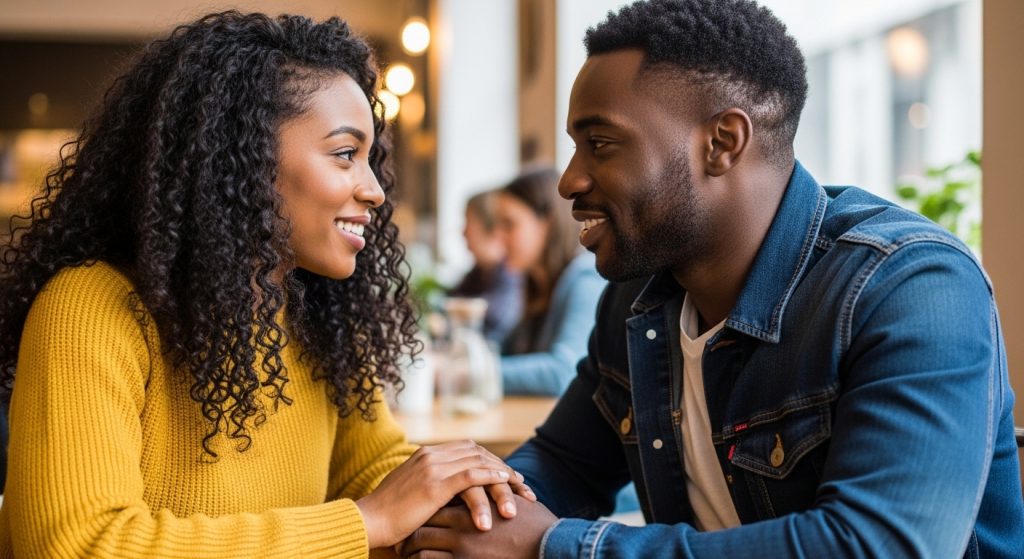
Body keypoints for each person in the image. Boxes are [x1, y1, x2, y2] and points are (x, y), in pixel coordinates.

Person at [398, 0, 1024, 557]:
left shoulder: (912, 287)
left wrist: (557, 546)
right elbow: (568, 462)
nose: (569, 180)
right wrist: (477, 513)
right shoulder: (637, 299)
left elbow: (879, 544)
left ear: (722, 141)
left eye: (602, 145)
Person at [0, 12, 535, 558]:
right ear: (244, 156)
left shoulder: (315, 317)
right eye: (346, 154)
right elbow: (80, 544)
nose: (374, 190)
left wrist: (460, 491)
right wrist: (368, 523)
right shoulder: (88, 309)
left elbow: (371, 465)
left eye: (371, 160)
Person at [494, 169, 605, 397]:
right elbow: (502, 350)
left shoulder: (584, 278)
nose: (499, 237)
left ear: (547, 222)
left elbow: (563, 372)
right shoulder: (536, 285)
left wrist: (465, 372)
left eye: (509, 224)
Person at [448, 189, 524, 345]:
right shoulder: (477, 273)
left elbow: (498, 323)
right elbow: (447, 301)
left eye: (468, 222)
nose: (463, 232)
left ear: (491, 229)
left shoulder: (511, 271)